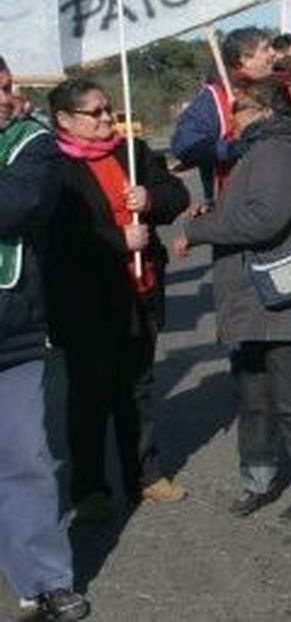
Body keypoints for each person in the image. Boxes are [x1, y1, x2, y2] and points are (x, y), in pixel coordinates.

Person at [173, 79, 291, 521]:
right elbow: (255, 212)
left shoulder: (276, 152)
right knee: (254, 395)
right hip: (260, 301)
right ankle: (259, 476)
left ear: (263, 110)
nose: (232, 118)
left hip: (282, 301)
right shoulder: (263, 152)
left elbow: (264, 222)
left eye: (239, 109)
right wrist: (215, 214)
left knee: (289, 396)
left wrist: (198, 230)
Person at [44, 79, 191, 522]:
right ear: (66, 120)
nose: (109, 119)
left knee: (139, 388)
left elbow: (177, 194)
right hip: (87, 301)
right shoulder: (52, 166)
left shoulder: (134, 151)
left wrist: (151, 197)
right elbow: (57, 235)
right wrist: (116, 239)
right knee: (89, 396)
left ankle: (144, 475)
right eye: (96, 113)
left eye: (109, 109)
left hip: (141, 290)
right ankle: (89, 487)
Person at [0, 57, 91, 621]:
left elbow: (17, 206)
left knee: (26, 458)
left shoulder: (30, 143)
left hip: (12, 333)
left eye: (6, 86)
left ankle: (45, 580)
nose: (4, 97)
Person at [170, 26, 276, 200]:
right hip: (235, 208)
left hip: (275, 199)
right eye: (265, 48)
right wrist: (233, 148)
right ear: (244, 60)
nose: (273, 53)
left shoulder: (272, 90)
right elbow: (184, 146)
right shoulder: (213, 99)